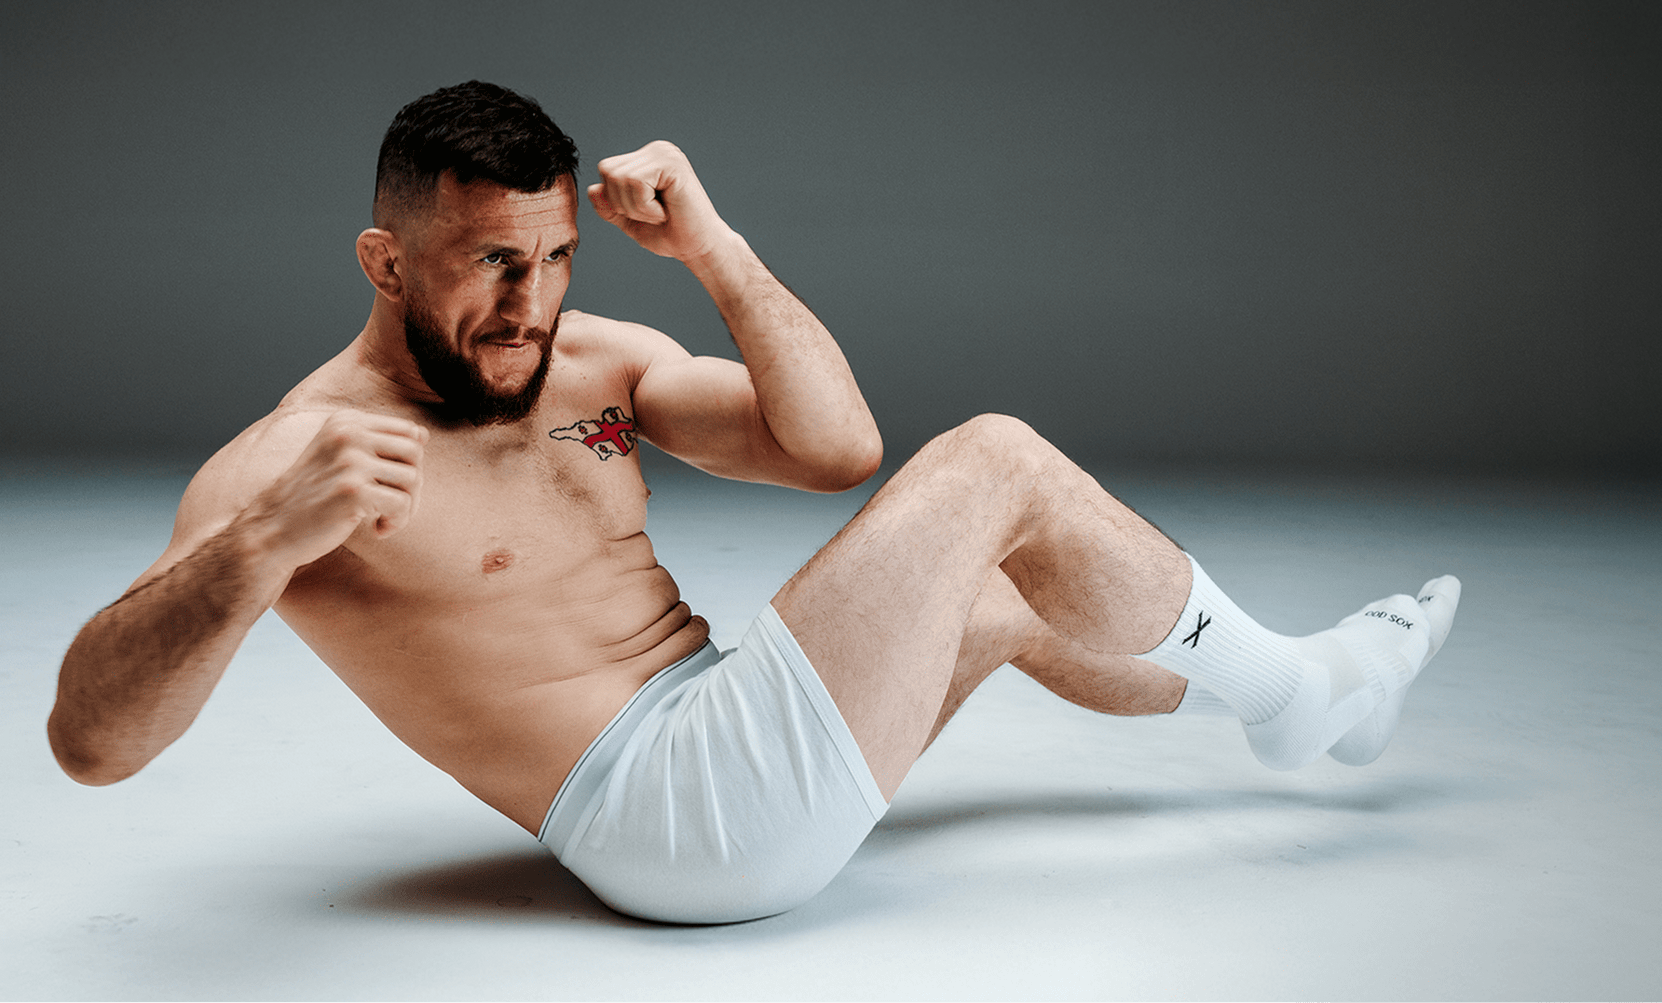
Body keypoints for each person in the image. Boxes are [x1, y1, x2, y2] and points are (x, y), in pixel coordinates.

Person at [45, 81, 1461, 924]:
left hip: (721, 721)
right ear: (383, 257)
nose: (527, 304)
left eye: (550, 258)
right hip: (666, 816)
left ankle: (1283, 709)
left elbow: (835, 447)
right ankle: (1304, 688)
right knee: (996, 461)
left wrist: (713, 251)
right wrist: (260, 549)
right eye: (487, 262)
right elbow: (94, 746)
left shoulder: (590, 360)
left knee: (1011, 600)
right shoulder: (292, 460)